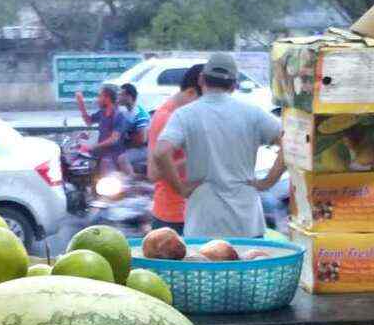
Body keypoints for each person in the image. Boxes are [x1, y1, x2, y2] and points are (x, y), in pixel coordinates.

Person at [152, 53, 283, 239]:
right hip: (246, 222)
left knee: (206, 260)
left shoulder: (184, 115)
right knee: (247, 259)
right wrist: (267, 182)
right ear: (234, 85)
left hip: (203, 222)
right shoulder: (253, 113)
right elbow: (291, 143)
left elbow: (161, 152)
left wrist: (180, 188)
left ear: (201, 79)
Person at [144, 64, 202, 233]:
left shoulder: (185, 115)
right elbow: (153, 173)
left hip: (191, 210)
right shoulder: (166, 118)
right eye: (204, 102)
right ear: (191, 92)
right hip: (174, 215)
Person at [74, 84, 130, 174]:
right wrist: (81, 104)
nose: (97, 99)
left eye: (100, 96)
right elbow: (88, 121)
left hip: (114, 156)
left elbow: (113, 139)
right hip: (103, 153)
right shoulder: (102, 113)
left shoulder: (118, 116)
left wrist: (93, 146)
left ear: (107, 98)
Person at [117, 83, 151, 175]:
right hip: (132, 146)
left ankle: (131, 181)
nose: (118, 97)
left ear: (129, 97)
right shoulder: (126, 112)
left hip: (144, 149)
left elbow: (142, 139)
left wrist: (126, 146)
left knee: (122, 158)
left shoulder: (140, 114)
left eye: (121, 95)